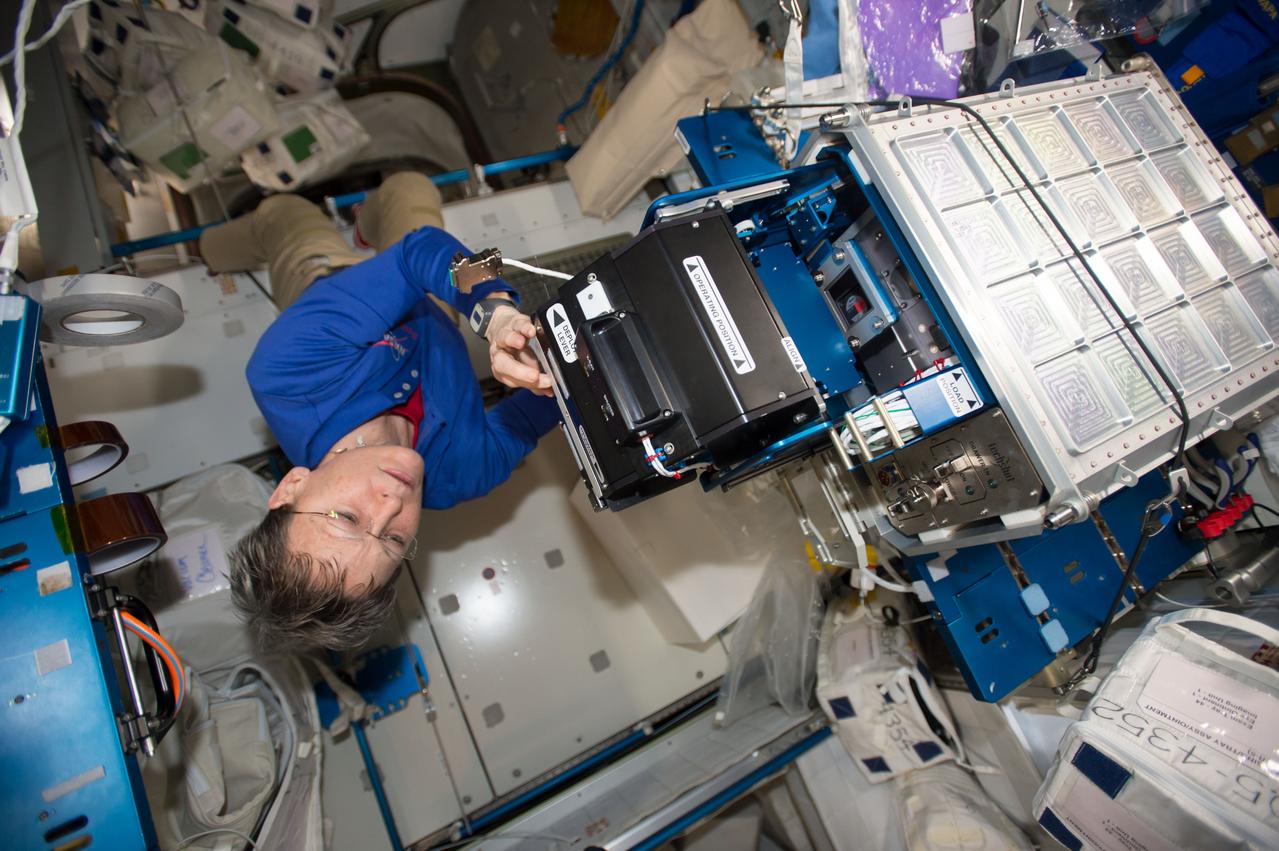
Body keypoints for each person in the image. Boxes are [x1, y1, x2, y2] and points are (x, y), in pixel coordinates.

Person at [201, 172, 558, 650]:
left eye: (347, 519)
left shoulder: (285, 371)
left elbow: (418, 254)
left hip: (328, 294)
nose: (392, 506)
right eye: (392, 542)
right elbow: (557, 397)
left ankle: (207, 250)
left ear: (292, 487)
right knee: (413, 190)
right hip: (431, 319)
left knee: (287, 213)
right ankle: (369, 227)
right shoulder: (465, 473)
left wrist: (492, 309)